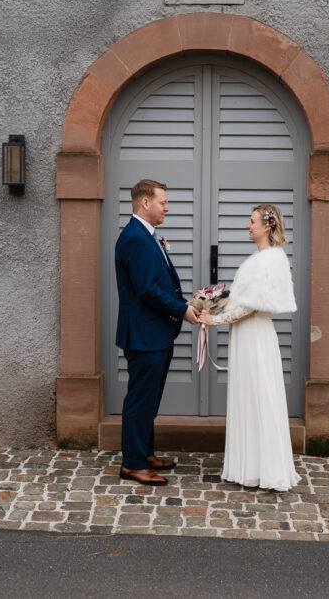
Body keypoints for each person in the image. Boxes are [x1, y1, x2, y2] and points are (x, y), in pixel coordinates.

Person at [198, 204, 301, 491]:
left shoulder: (270, 259)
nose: (248, 225)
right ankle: (250, 465)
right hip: (246, 335)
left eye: (252, 221)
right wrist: (210, 302)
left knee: (259, 395)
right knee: (249, 395)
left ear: (267, 225)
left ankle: (265, 469)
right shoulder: (260, 259)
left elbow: (251, 307)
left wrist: (215, 319)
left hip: (255, 335)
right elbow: (241, 300)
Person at [115, 179, 200, 486]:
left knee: (149, 399)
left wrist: (183, 303)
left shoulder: (146, 237)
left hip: (156, 333)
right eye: (163, 202)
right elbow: (148, 289)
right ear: (145, 203)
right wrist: (182, 310)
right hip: (144, 334)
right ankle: (133, 464)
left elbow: (158, 284)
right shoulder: (136, 238)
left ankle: (144, 452)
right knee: (140, 400)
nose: (167, 207)